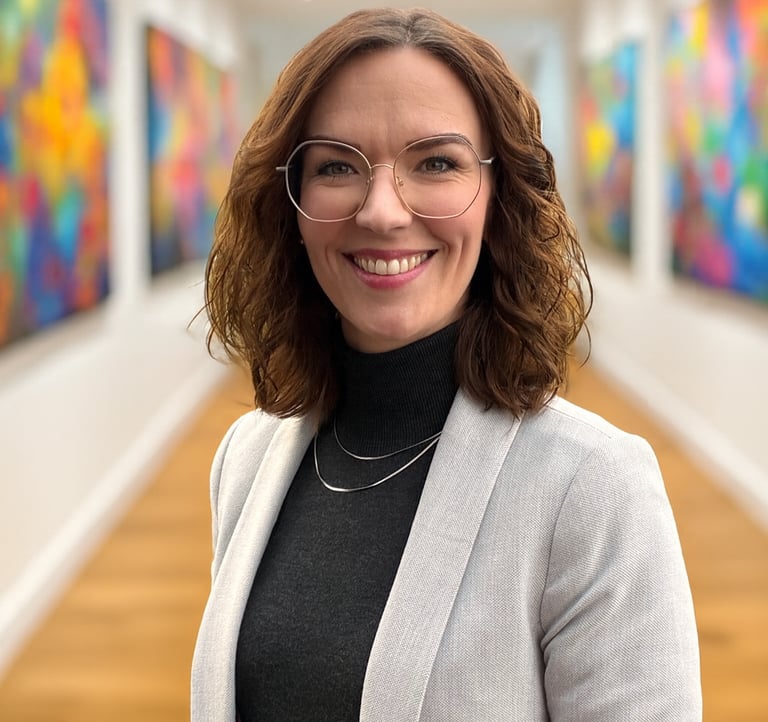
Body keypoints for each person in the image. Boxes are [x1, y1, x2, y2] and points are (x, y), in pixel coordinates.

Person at [191, 7, 702, 721]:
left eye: (436, 163)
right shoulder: (245, 458)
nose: (382, 212)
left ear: (498, 199)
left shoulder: (593, 489)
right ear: (293, 205)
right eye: (336, 165)